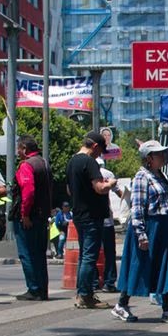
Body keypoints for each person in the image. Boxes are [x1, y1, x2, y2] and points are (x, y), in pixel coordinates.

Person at [112, 140, 168, 323]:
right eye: (158, 154)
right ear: (149, 158)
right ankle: (121, 304)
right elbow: (137, 207)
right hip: (150, 227)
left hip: (162, 227)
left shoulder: (159, 175)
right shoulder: (141, 177)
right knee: (139, 265)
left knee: (166, 265)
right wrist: (141, 234)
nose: (163, 156)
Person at [66, 130, 117, 309]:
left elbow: (69, 190)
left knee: (84, 255)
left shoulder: (72, 161)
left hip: (78, 214)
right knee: (89, 256)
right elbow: (99, 188)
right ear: (95, 146)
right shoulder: (90, 162)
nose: (100, 154)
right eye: (101, 150)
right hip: (92, 215)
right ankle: (85, 295)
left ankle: (82, 292)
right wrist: (111, 183)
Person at [11, 135, 52, 300]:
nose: (17, 152)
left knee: (26, 252)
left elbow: (28, 192)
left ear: (24, 149)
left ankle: (34, 289)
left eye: (19, 148)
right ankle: (42, 289)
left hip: (30, 217)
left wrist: (25, 214)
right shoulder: (44, 163)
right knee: (39, 253)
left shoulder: (26, 166)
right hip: (42, 216)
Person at [95, 157, 124, 292]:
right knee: (109, 252)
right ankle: (109, 282)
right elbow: (120, 193)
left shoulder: (87, 173)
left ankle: (94, 282)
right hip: (107, 219)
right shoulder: (108, 174)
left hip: (92, 219)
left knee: (91, 252)